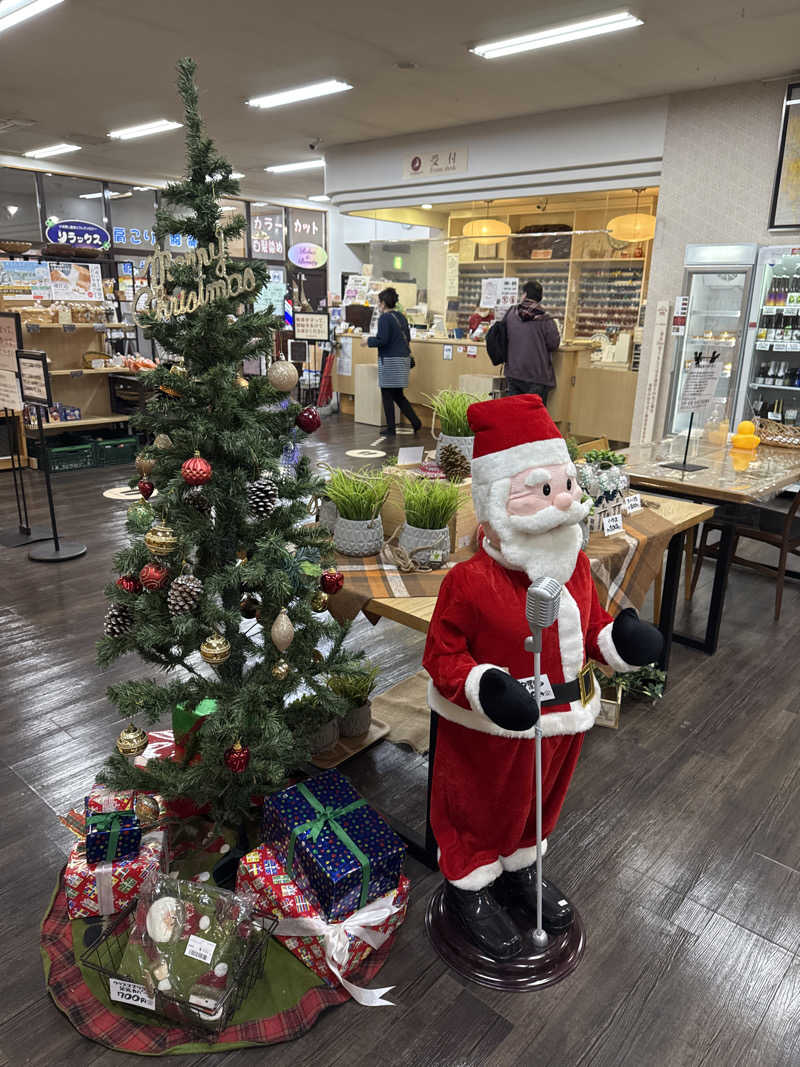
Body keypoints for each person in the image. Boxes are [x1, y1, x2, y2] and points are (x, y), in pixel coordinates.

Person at [422, 394, 662, 958]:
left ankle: (518, 869)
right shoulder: (470, 581)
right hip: (493, 729)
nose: (563, 504)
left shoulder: (574, 560)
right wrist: (487, 688)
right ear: (499, 501)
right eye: (542, 489)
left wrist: (615, 640)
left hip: (565, 717)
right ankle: (472, 884)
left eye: (565, 486)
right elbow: (442, 656)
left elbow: (590, 618)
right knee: (480, 804)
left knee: (538, 802)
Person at [363, 287, 422, 436]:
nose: (378, 305)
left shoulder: (384, 318)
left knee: (387, 394)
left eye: (379, 302)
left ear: (383, 303)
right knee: (398, 395)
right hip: (402, 360)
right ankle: (415, 422)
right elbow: (407, 338)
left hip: (390, 361)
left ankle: (391, 428)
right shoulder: (401, 317)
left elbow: (383, 340)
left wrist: (368, 340)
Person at [504, 279, 560, 402]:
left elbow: (503, 335)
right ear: (540, 297)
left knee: (513, 412)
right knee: (534, 416)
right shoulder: (546, 319)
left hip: (513, 372)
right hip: (537, 375)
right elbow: (553, 344)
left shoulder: (511, 314)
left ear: (524, 295)